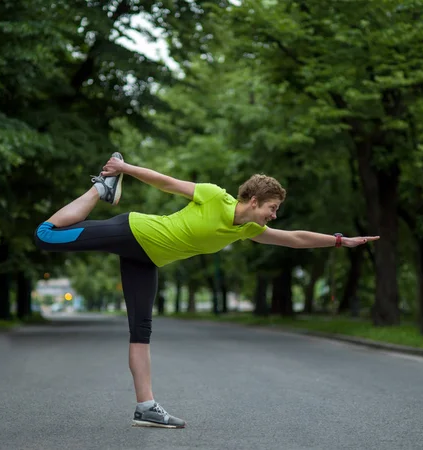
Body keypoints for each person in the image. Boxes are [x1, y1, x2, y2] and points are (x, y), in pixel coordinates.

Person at [33, 152, 379, 429]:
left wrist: (338, 240)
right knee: (45, 236)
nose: (274, 216)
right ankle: (101, 189)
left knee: (141, 331)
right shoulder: (215, 196)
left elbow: (294, 238)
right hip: (135, 232)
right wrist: (124, 168)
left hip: (147, 260)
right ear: (255, 200)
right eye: (272, 208)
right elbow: (167, 183)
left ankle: (146, 407)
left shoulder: (246, 231)